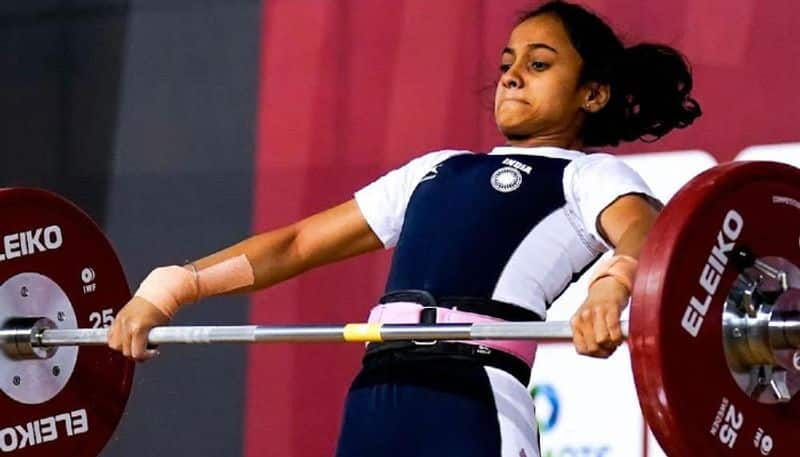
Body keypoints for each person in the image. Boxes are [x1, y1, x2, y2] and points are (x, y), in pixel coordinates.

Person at [107, 1, 701, 456]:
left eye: (539, 64)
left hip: (473, 396)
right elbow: (297, 243)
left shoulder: (587, 174)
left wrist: (611, 288)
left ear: (592, 94)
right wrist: (173, 287)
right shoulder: (434, 170)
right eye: (506, 64)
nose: (513, 75)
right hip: (375, 393)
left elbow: (648, 235)